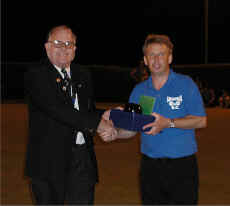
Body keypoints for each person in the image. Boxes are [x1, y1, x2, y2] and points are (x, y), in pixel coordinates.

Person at [101, 34, 207, 205]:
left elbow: (201, 120)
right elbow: (133, 128)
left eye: (161, 54)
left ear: (170, 57)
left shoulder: (186, 84)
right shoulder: (139, 91)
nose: (156, 60)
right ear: (145, 59)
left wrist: (168, 122)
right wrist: (116, 134)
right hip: (150, 167)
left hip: (182, 166)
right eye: (152, 55)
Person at [24, 25, 116, 205]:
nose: (64, 48)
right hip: (48, 162)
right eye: (58, 43)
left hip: (82, 161)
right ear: (47, 47)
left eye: (69, 44)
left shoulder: (83, 74)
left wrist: (107, 114)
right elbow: (59, 110)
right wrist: (97, 123)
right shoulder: (36, 75)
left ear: (75, 49)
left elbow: (85, 111)